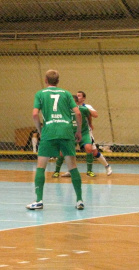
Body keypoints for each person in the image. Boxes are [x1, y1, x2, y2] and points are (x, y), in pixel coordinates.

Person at [26, 70, 84, 210]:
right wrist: (78, 131)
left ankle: (39, 200)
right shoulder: (66, 93)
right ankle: (79, 200)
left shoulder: (40, 94)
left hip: (49, 131)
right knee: (72, 166)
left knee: (41, 166)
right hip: (66, 131)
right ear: (58, 81)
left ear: (46, 80)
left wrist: (40, 129)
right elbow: (77, 113)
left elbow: (35, 114)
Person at [52, 95, 93, 178]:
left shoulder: (83, 109)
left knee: (89, 148)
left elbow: (89, 116)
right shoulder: (65, 111)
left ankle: (89, 171)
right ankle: (56, 171)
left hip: (83, 132)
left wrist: (90, 124)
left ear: (77, 102)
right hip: (70, 133)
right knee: (62, 152)